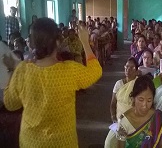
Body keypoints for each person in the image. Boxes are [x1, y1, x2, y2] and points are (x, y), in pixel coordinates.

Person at [3, 17, 102, 147]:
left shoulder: (22, 70)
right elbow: (96, 71)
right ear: (57, 42)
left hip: (31, 142)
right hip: (62, 142)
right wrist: (85, 42)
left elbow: (10, 104)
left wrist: (12, 71)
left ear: (31, 43)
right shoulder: (69, 70)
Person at [117, 75, 162, 148]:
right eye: (141, 100)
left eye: (149, 100)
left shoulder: (158, 118)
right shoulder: (124, 122)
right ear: (133, 98)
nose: (144, 105)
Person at [105, 57, 138, 148]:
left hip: (134, 122)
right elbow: (113, 103)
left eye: (132, 68)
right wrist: (114, 119)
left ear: (137, 71)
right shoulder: (118, 84)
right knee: (109, 144)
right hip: (119, 123)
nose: (128, 70)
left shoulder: (139, 84)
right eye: (127, 67)